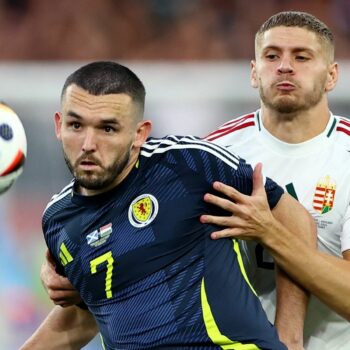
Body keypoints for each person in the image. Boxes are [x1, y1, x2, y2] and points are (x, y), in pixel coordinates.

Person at [20, 61, 315, 350]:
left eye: (107, 129)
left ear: (140, 133)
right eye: (76, 125)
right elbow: (88, 313)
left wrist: (290, 336)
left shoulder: (187, 165)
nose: (87, 143)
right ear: (58, 125)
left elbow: (296, 219)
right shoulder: (58, 220)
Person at [203, 10, 350, 350]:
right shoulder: (214, 153)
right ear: (254, 73)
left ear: (331, 76)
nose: (285, 66)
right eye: (272, 56)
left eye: (302, 56)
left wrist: (271, 233)